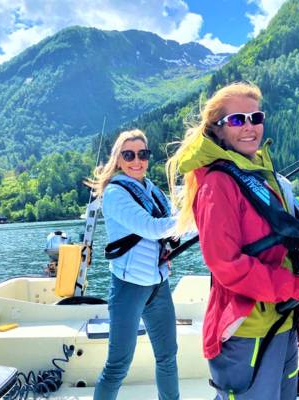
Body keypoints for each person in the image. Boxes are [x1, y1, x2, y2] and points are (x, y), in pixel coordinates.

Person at [166, 82, 299, 400]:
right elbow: (226, 265)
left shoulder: (267, 179)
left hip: (284, 322)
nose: (250, 126)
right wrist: (296, 287)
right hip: (246, 330)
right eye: (238, 120)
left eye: (256, 117)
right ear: (218, 130)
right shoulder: (216, 185)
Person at [87, 129, 179, 400]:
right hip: (128, 288)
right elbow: (151, 228)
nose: (136, 160)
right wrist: (192, 218)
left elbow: (173, 227)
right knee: (118, 365)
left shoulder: (153, 190)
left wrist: (189, 222)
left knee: (167, 357)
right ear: (118, 159)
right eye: (128, 154)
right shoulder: (115, 194)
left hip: (158, 286)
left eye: (142, 154)